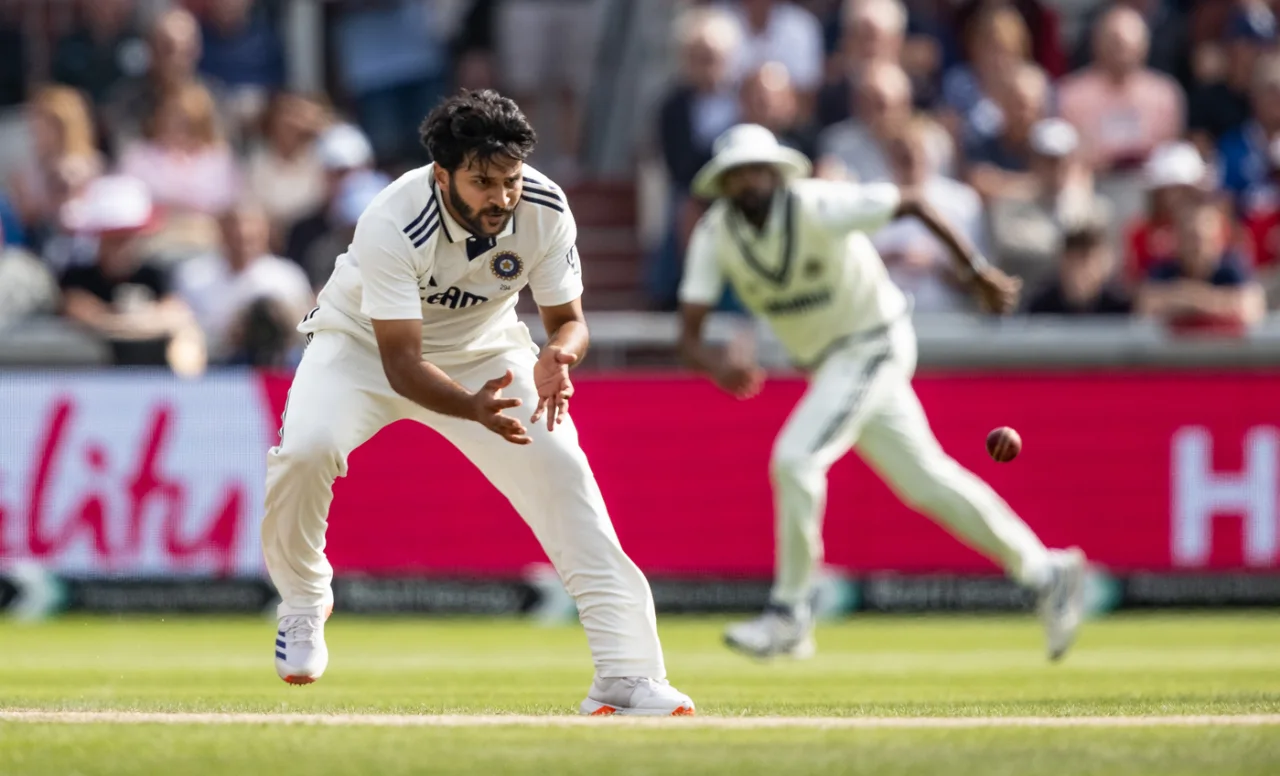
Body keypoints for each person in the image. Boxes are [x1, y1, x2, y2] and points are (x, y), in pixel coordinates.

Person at [262, 90, 694, 717]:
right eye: (482, 182)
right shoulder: (393, 218)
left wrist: (560, 356)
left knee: (567, 482)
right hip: (361, 345)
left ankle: (626, 676)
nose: (500, 198)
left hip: (487, 349)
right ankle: (303, 598)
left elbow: (569, 320)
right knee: (306, 449)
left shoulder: (544, 205)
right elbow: (402, 364)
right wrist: (472, 409)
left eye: (509, 180)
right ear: (444, 175)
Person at [676, 123, 1086, 662]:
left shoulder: (817, 205)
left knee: (795, 460)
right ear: (723, 184)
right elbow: (689, 334)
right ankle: (1046, 572)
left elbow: (913, 202)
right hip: (830, 365)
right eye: (737, 175)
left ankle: (791, 612)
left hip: (874, 342)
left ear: (777, 173)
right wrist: (716, 363)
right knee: (927, 483)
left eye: (758, 170)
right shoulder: (717, 234)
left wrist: (976, 271)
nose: (750, 182)